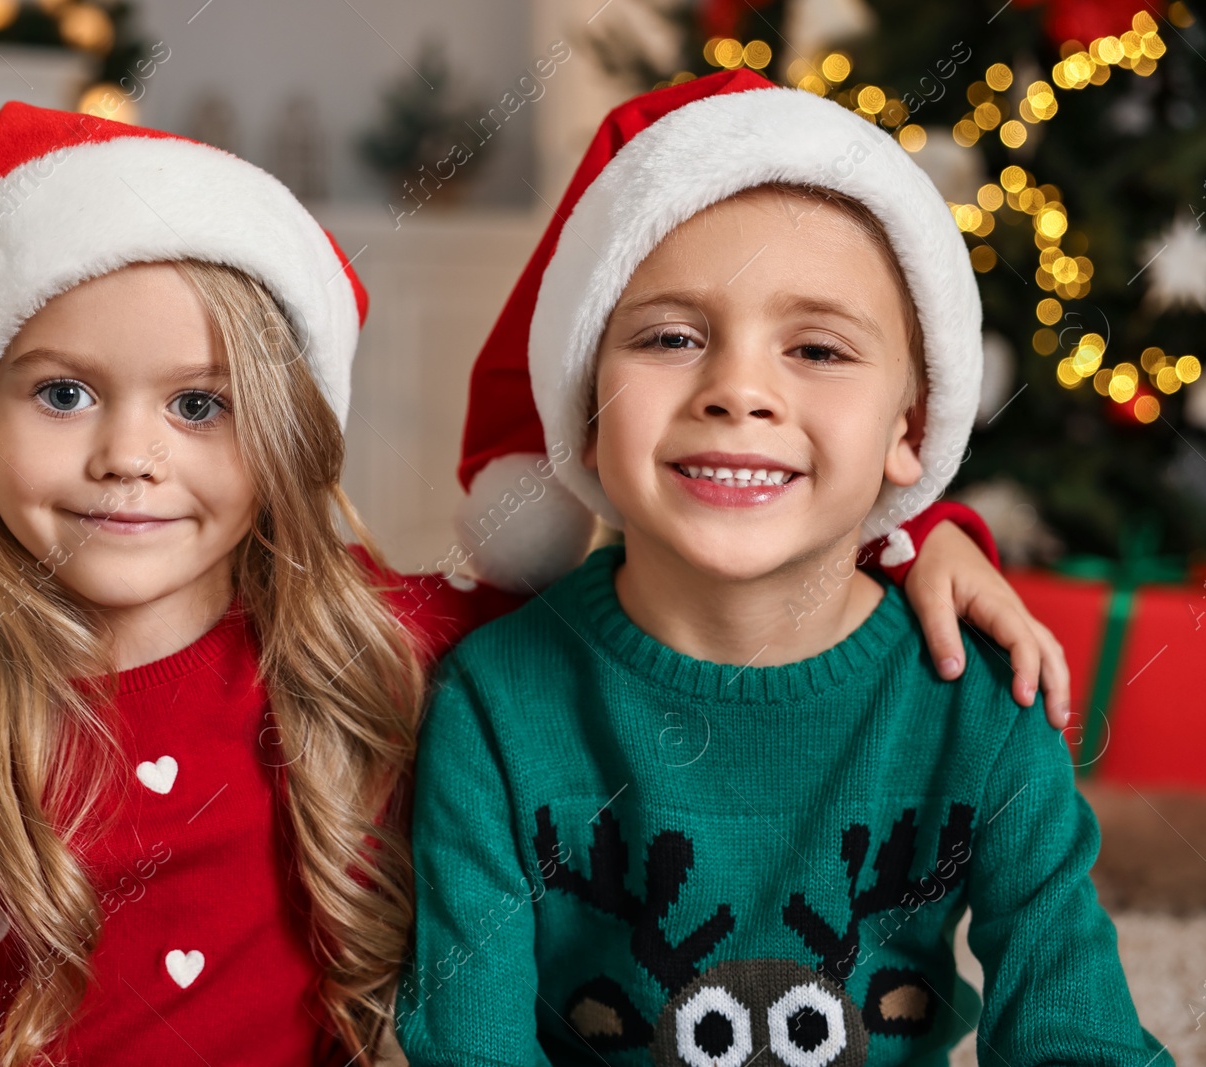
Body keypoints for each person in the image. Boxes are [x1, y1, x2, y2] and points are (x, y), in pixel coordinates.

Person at [0, 100, 1051, 1067]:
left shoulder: (392, 647)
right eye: (62, 391)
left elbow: (695, 592)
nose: (129, 454)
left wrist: (914, 537)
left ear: (288, 437)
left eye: (201, 402)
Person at [398, 71, 1166, 1066]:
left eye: (816, 347)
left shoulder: (978, 696)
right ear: (581, 410)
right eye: (672, 338)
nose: (738, 389)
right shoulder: (491, 703)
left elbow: (1078, 1029)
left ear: (910, 428)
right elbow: (474, 1045)